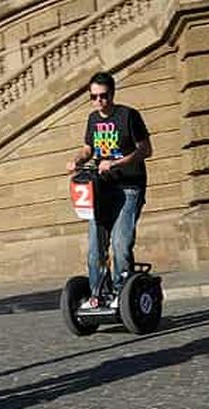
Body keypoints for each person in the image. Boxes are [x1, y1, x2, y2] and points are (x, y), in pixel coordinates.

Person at [66, 72, 152, 307]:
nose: (99, 101)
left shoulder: (128, 116)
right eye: (94, 97)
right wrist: (77, 160)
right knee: (95, 247)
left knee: (120, 244)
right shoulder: (93, 119)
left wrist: (117, 162)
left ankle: (122, 296)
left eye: (103, 96)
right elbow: (87, 148)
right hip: (102, 189)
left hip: (129, 187)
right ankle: (97, 295)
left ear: (112, 94)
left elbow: (146, 150)